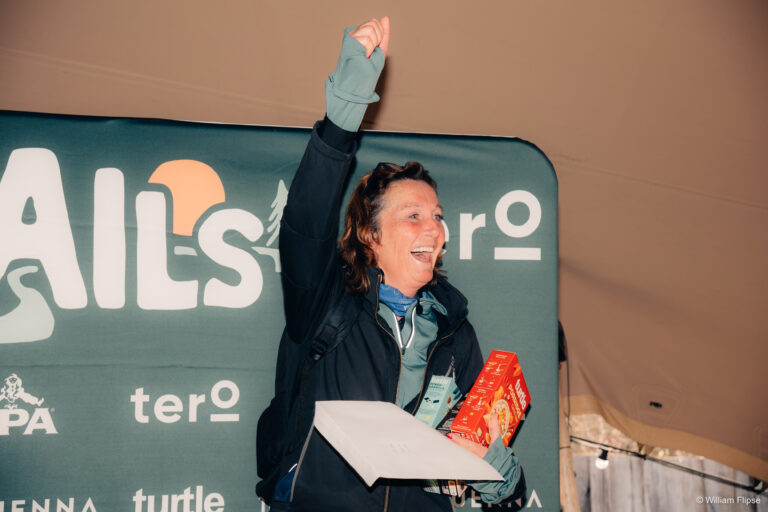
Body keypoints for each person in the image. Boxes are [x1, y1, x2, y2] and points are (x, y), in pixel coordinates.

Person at [256, 16, 525, 512]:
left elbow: (507, 490)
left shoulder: (454, 333)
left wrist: (494, 468)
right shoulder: (326, 303)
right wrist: (344, 115)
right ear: (370, 234)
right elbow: (305, 224)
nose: (434, 228)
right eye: (413, 216)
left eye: (438, 216)